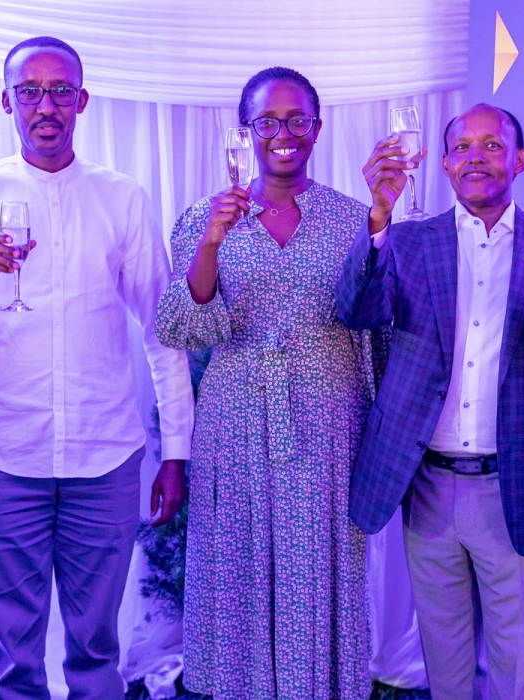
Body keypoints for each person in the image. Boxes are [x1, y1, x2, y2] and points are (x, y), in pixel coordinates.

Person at [0, 36, 194, 700]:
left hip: (105, 456)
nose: (46, 106)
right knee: (14, 657)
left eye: (60, 91)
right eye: (30, 92)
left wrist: (176, 453)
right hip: (3, 455)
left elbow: (163, 331)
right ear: (6, 101)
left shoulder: (121, 197)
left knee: (97, 650)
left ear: (82, 100)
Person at [335, 104, 524, 700]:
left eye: (492, 145)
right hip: (427, 489)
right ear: (444, 163)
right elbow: (356, 312)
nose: (475, 157)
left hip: (523, 489)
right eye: (462, 147)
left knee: (519, 675)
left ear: (521, 159)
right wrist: (377, 217)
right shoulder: (407, 239)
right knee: (446, 673)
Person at [156, 66, 377, 700]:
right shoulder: (204, 217)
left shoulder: (354, 219)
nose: (284, 133)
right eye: (268, 121)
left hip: (327, 422)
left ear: (317, 128)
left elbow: (376, 324)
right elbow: (182, 327)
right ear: (245, 131)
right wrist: (211, 241)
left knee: (317, 567)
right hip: (235, 421)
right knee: (239, 567)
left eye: (297, 119)